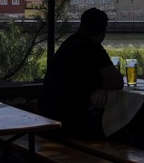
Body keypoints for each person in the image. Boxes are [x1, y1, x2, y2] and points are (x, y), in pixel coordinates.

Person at [38, 8, 124, 138]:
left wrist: (100, 87)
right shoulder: (93, 49)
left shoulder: (69, 43)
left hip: (48, 117)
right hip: (70, 123)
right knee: (120, 132)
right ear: (103, 30)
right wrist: (101, 86)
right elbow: (117, 82)